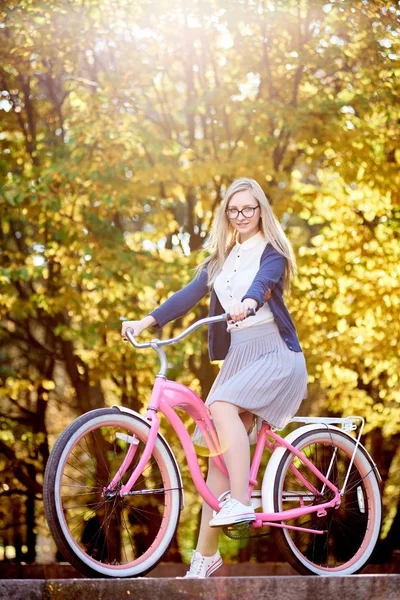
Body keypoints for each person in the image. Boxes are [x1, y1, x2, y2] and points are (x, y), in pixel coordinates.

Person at [121, 177, 308, 578]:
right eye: (234, 210)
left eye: (249, 209)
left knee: (220, 407)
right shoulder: (220, 260)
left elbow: (263, 284)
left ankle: (242, 500)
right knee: (217, 462)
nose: (242, 216)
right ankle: (204, 559)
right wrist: (146, 321)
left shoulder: (272, 252)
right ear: (226, 214)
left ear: (261, 212)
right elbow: (187, 295)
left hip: (275, 353)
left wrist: (247, 302)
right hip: (239, 358)